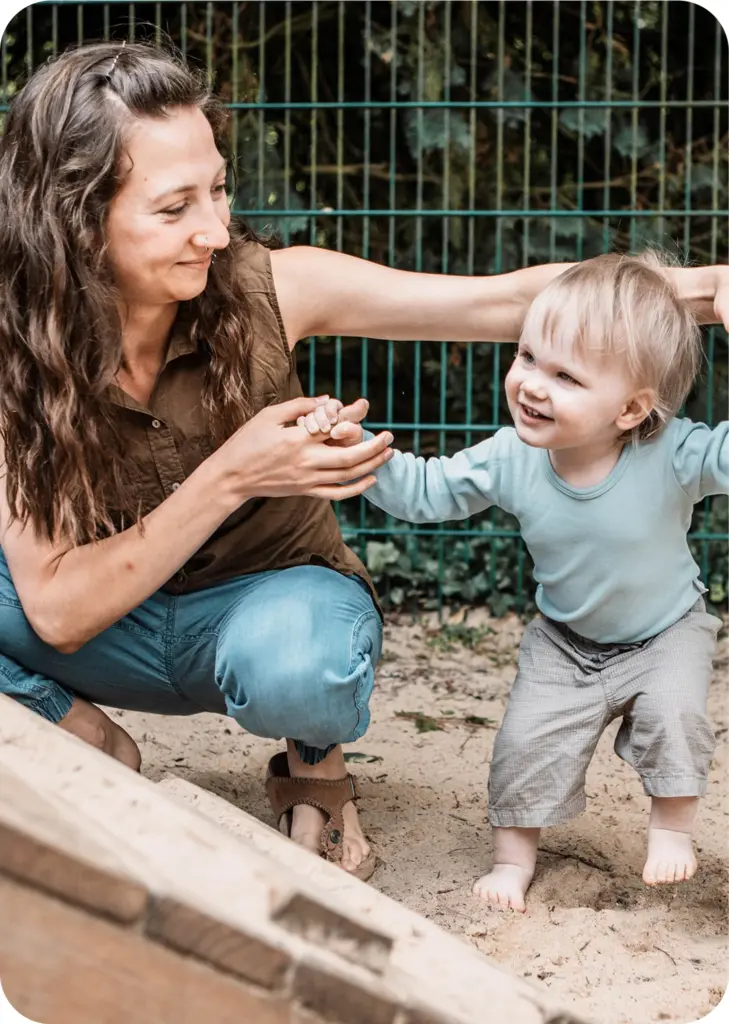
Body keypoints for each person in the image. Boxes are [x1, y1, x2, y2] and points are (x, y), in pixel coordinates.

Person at [0, 41, 727, 883]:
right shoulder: (17, 355)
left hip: (262, 611)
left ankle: (315, 769)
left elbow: (502, 300)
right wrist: (234, 472)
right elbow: (57, 611)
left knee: (300, 664)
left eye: (219, 189)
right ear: (76, 216)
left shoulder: (271, 286)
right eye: (174, 208)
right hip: (103, 633)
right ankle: (74, 728)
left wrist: (709, 288)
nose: (217, 230)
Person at [302, 252, 727, 905]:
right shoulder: (511, 458)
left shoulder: (673, 452)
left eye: (565, 376)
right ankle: (512, 861)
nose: (531, 384)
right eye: (527, 356)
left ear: (630, 409)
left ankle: (670, 830)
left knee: (675, 714)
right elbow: (426, 492)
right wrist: (357, 451)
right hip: (565, 642)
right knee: (525, 742)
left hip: (666, 632)